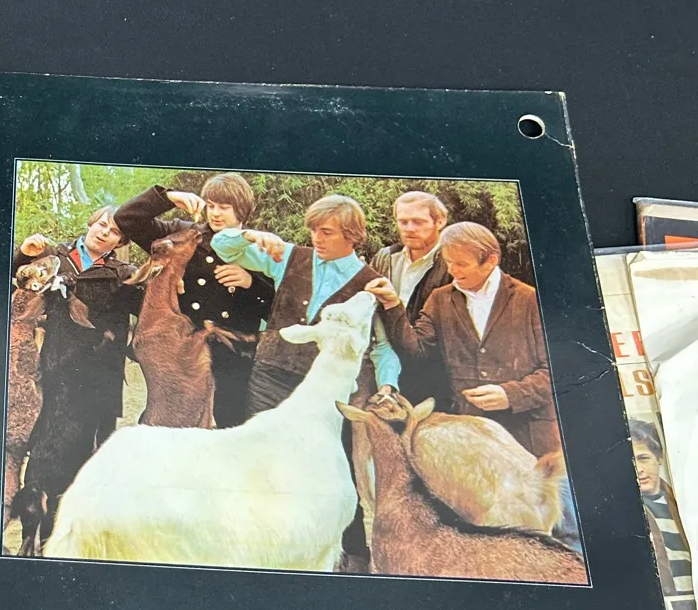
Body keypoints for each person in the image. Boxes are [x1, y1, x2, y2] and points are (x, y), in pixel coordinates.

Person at [9, 206, 141, 553]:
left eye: (114, 231)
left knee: (83, 461)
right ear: (90, 224)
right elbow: (13, 279)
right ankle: (28, 538)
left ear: (120, 242)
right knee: (44, 455)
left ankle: (58, 540)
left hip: (98, 384)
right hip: (56, 375)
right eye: (101, 224)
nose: (104, 232)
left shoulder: (123, 275)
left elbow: (152, 308)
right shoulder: (55, 257)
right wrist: (23, 253)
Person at [367, 221, 558, 457]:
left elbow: (558, 371)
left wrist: (511, 395)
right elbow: (416, 351)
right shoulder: (439, 300)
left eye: (461, 264)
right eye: (448, 262)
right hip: (471, 440)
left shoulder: (530, 300)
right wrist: (392, 305)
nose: (452, 271)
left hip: (531, 440)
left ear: (490, 261)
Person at [209, 194, 400, 417]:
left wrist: (387, 386)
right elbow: (222, 247)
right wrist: (249, 235)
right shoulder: (288, 256)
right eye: (313, 230)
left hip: (325, 388)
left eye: (326, 232)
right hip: (269, 377)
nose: (317, 239)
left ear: (352, 235)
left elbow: (383, 345)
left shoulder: (372, 282)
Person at [114, 173, 275, 428]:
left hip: (233, 359)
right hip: (184, 356)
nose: (215, 214)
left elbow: (276, 309)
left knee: (231, 429)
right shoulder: (184, 236)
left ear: (242, 210)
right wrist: (169, 198)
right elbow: (126, 219)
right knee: (169, 427)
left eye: (224, 207)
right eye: (211, 205)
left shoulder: (258, 247)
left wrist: (250, 283)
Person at [369, 191, 453, 410]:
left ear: (440, 222)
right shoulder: (385, 257)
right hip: (383, 369)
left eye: (418, 222)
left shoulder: (453, 263)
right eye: (403, 221)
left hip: (431, 377)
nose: (409, 228)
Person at [633, 419, 691, 595]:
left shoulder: (683, 500)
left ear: (659, 458)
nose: (639, 469)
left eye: (643, 458)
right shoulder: (630, 512)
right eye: (631, 461)